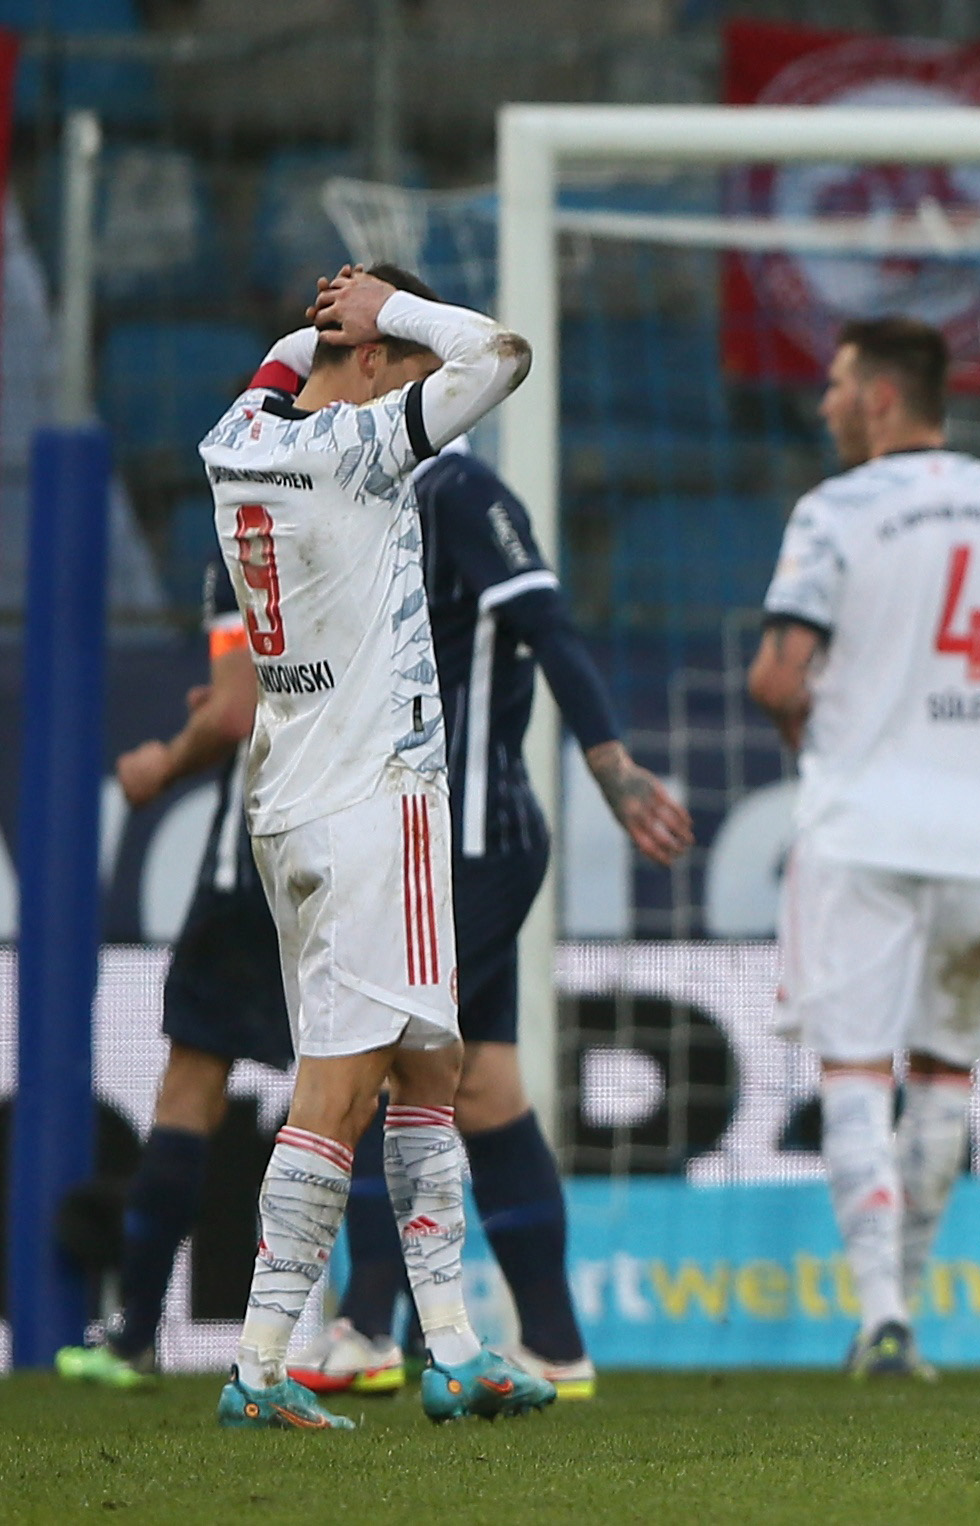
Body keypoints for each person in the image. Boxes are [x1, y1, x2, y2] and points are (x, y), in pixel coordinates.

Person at [203, 265, 552, 1429]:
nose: (419, 376)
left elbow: (280, 367)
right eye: (399, 355)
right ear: (368, 359)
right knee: (339, 1089)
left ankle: (454, 1346)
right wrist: (391, 313)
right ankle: (258, 1365)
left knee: (426, 1066)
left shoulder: (237, 437)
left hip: (290, 797)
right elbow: (501, 354)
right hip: (374, 801)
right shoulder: (357, 453)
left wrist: (322, 326)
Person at [287, 436, 693, 1401]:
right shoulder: (368, 498)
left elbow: (549, 625)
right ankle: (556, 1344)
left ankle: (365, 1325)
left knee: (381, 1059)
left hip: (470, 842)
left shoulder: (458, 489)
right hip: (422, 839)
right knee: (489, 1089)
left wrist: (614, 770)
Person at [747, 316, 980, 1379]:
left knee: (855, 1065)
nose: (825, 403)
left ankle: (881, 1314)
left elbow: (773, 676)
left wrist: (826, 750)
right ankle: (911, 1309)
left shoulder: (834, 511)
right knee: (945, 1071)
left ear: (882, 397)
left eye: (839, 383)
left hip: (860, 826)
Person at [54, 552, 282, 1389]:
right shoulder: (380, 511)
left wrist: (162, 759)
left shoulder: (251, 513)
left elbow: (234, 714)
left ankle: (135, 1336)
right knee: (365, 1086)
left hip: (253, 858)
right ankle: (379, 1328)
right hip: (352, 845)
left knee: (191, 1084)